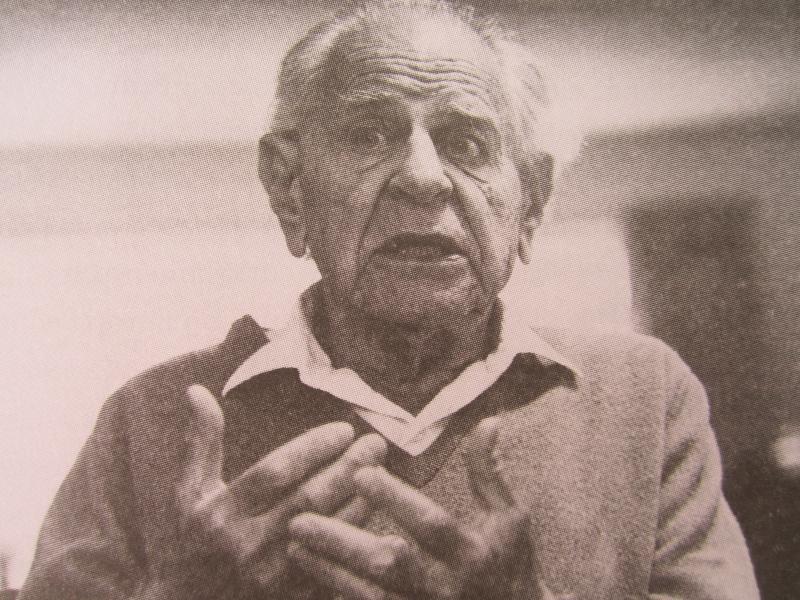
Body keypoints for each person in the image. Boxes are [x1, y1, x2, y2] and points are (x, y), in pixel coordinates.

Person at [19, 1, 759, 598]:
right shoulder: (151, 420)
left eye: (467, 142)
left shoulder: (643, 397)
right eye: (369, 135)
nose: (422, 178)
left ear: (531, 199)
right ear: (289, 189)